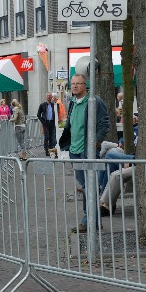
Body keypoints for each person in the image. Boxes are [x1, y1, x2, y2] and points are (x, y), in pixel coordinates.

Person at [58, 74, 111, 233]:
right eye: (72, 84)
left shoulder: (94, 101)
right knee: (86, 186)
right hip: (74, 151)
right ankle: (93, 221)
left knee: (90, 186)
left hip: (87, 151)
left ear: (85, 85)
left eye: (78, 84)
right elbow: (71, 124)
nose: (74, 87)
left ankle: (89, 221)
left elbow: (105, 122)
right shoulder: (72, 102)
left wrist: (96, 141)